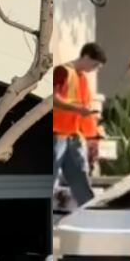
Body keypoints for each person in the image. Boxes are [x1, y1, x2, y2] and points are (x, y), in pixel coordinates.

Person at [52, 43, 106, 208]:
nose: (94, 69)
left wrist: (92, 138)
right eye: (94, 65)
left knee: (80, 179)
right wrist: (77, 109)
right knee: (51, 179)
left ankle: (91, 214)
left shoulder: (82, 78)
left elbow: (84, 109)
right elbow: (53, 99)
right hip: (57, 135)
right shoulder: (62, 72)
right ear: (86, 57)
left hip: (73, 136)